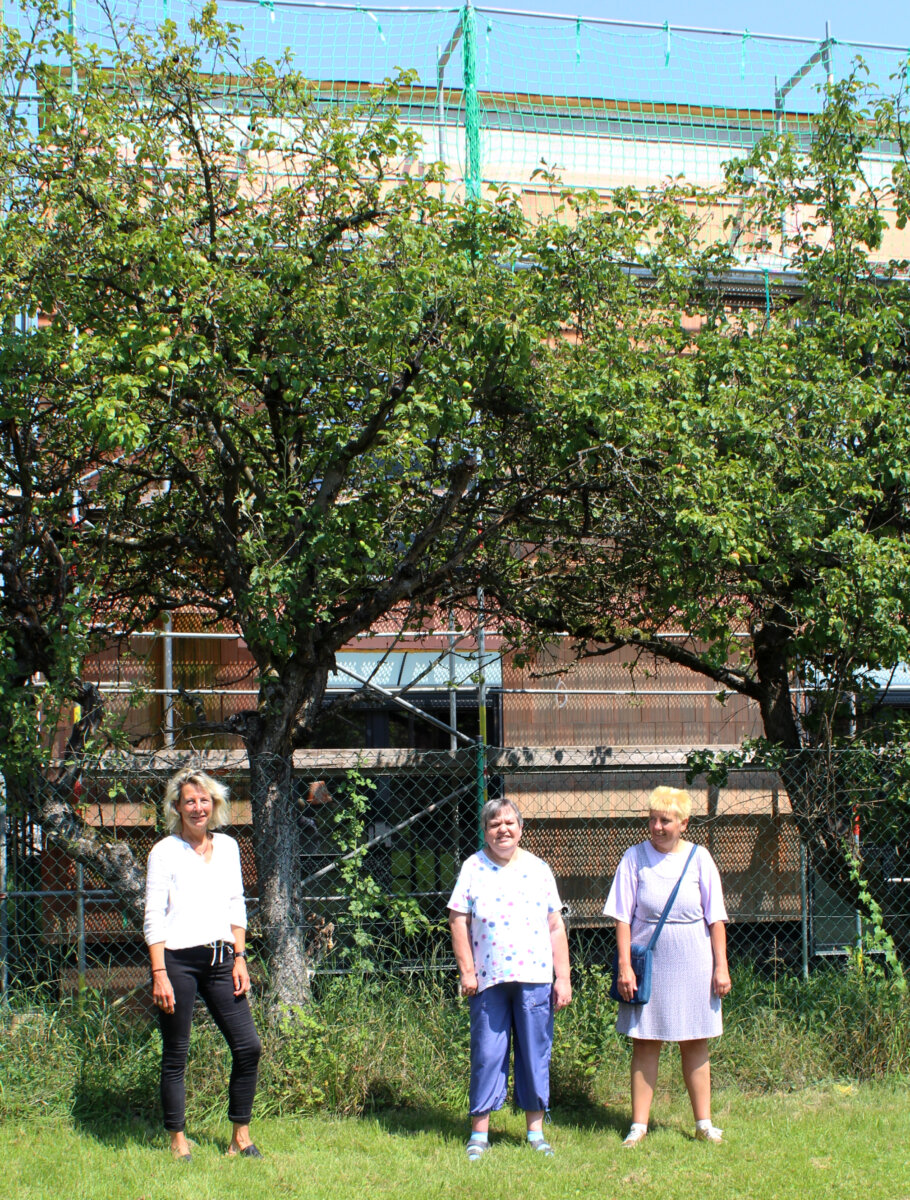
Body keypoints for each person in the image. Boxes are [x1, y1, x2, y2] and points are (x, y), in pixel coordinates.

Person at [144, 768, 263, 1161]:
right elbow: (154, 916)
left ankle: (239, 1137)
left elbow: (236, 902)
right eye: (189, 801)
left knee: (248, 1047)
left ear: (215, 804)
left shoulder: (228, 846)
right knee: (176, 1052)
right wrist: (159, 973)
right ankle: (178, 1141)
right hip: (177, 962)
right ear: (176, 807)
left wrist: (240, 957)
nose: (198, 807)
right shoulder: (164, 851)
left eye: (204, 800)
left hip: (222, 959)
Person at [604, 785, 730, 1147]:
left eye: (665, 820)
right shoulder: (633, 858)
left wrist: (721, 967)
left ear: (684, 823)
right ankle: (638, 1126)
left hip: (694, 959)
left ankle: (703, 1124)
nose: (657, 827)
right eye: (652, 819)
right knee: (646, 1041)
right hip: (651, 963)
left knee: (695, 1039)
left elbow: (716, 918)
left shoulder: (701, 858)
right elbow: (622, 917)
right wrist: (625, 966)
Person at [448, 797, 572, 1161]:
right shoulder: (472, 867)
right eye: (494, 824)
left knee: (535, 1053)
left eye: (509, 823)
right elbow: (458, 920)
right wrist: (467, 971)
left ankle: (535, 1132)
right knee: (488, 1053)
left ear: (520, 828)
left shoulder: (539, 869)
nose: (502, 829)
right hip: (488, 979)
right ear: (485, 831)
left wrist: (562, 977)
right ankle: (479, 1134)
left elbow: (554, 925)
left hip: (534, 976)